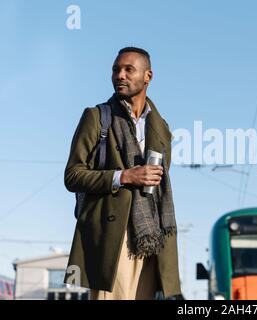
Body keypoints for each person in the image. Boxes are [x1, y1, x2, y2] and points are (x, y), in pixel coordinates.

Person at [63, 47, 181, 300]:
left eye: (129, 69)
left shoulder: (161, 129)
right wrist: (124, 176)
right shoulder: (96, 117)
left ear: (148, 76)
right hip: (113, 236)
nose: (120, 75)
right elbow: (72, 175)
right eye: (116, 69)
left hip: (151, 237)